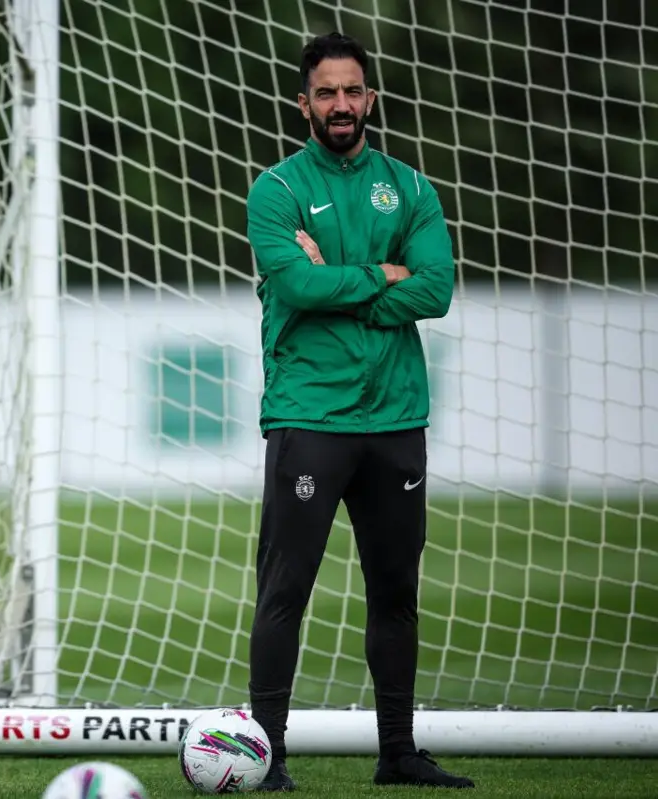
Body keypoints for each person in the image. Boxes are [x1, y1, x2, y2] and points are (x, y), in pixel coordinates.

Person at [244, 32, 474, 791]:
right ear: (303, 101)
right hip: (311, 415)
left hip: (397, 417)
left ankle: (398, 751)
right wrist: (383, 274)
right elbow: (297, 289)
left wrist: (339, 280)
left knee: (395, 593)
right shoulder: (275, 190)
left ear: (369, 97)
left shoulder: (409, 187)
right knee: (285, 590)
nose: (340, 104)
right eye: (326, 92)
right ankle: (267, 755)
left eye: (353, 91)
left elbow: (434, 289)